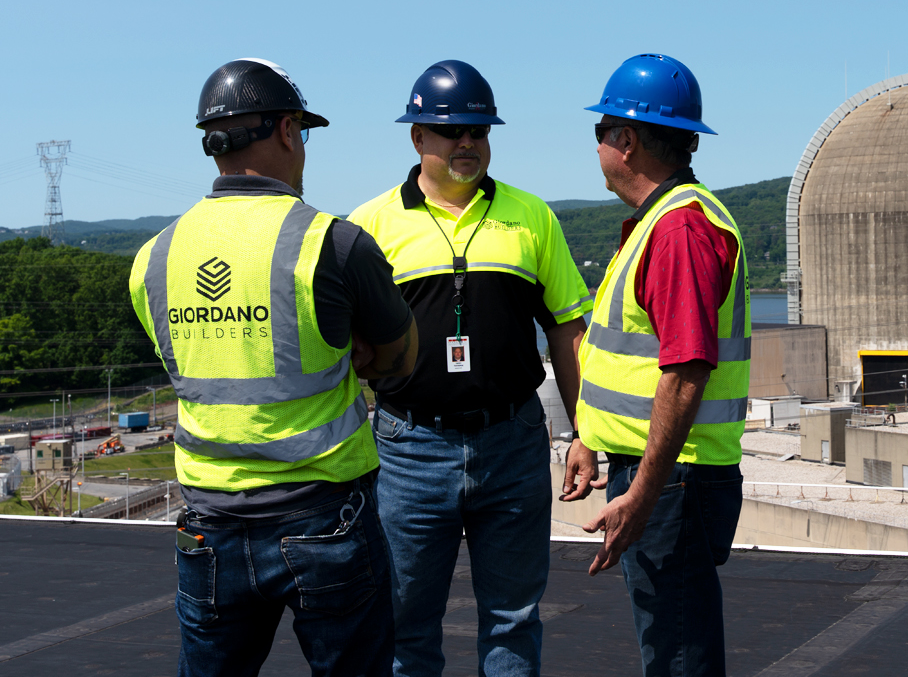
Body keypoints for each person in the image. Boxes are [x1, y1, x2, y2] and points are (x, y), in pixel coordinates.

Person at [128, 57, 418, 677]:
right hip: (324, 517)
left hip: (208, 524)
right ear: (287, 130)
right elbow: (401, 358)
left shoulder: (153, 258)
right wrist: (352, 347)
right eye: (303, 132)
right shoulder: (333, 243)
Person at [348, 60, 592, 677]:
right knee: (405, 626)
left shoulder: (531, 217)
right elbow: (343, 353)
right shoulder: (367, 227)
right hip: (408, 450)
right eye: (451, 129)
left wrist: (585, 433)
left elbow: (567, 330)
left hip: (513, 443)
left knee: (513, 620)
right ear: (417, 137)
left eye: (478, 130)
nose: (467, 142)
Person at [560, 53, 750, 677]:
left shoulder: (678, 232)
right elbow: (632, 360)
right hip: (664, 475)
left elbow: (686, 370)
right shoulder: (660, 224)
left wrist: (641, 494)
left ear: (627, 141)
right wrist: (590, 436)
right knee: (672, 646)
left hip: (672, 481)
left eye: (600, 131)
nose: (596, 146)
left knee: (678, 656)